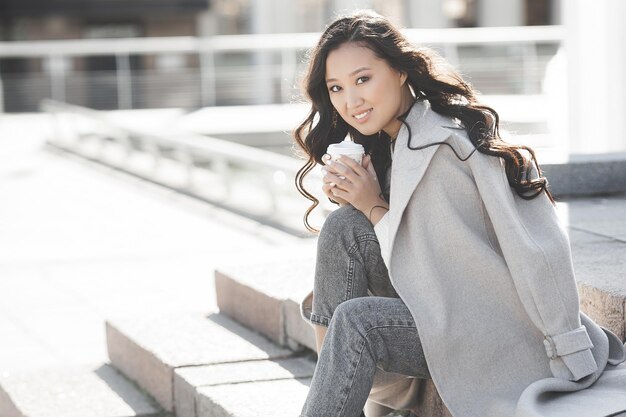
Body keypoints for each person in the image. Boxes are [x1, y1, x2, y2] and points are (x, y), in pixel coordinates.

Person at [292, 10, 626, 417]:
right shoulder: (399, 142)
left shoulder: (447, 146)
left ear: (399, 70)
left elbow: (537, 250)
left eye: (363, 79)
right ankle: (336, 392)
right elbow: (424, 263)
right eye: (336, 88)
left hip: (486, 329)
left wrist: (568, 347)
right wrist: (362, 201)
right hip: (440, 309)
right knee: (343, 226)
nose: (351, 100)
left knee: (356, 319)